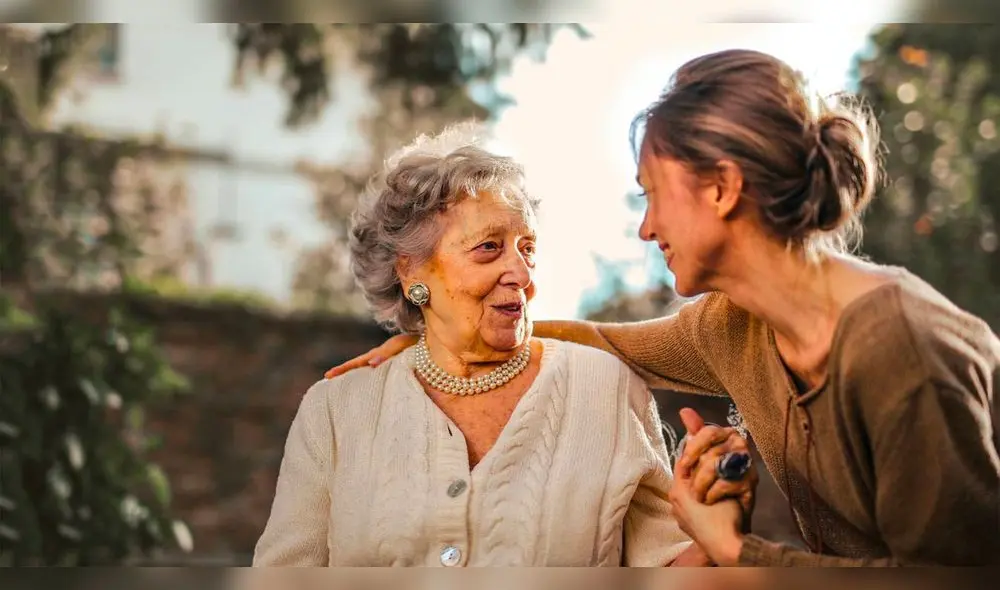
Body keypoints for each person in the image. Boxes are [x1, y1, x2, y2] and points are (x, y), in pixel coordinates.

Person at [324, 49, 1000, 566]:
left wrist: (735, 550)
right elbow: (605, 341)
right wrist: (442, 337)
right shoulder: (734, 326)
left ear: (722, 188)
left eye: (652, 193)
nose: (647, 228)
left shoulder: (899, 349)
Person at [253, 124, 756, 567]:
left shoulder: (606, 389)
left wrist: (715, 531)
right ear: (411, 271)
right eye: (489, 247)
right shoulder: (336, 410)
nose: (520, 273)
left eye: (527, 248)